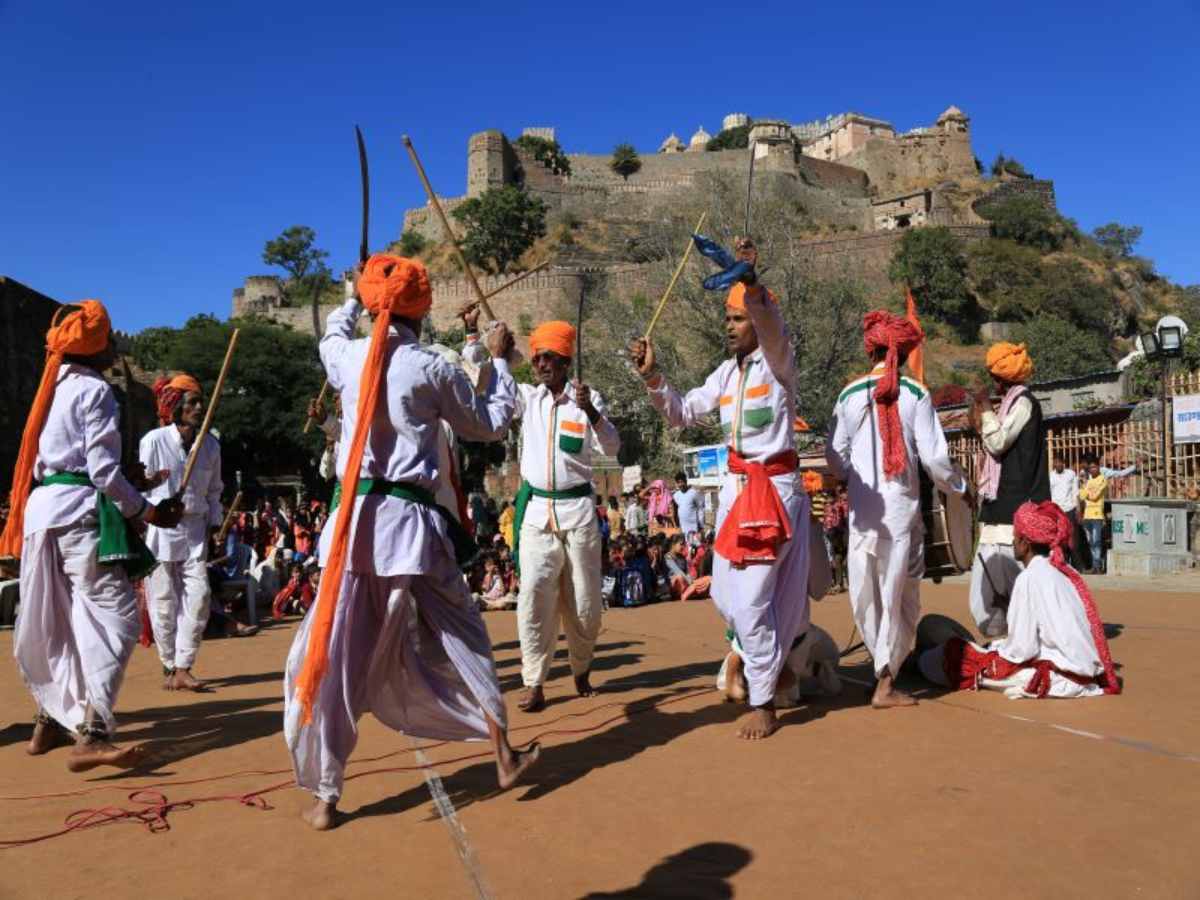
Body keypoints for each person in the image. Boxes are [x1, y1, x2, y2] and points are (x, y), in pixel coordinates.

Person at [283, 254, 539, 830]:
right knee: (463, 634)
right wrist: (497, 361)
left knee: (341, 658)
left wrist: (353, 294)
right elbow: (490, 423)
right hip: (410, 531)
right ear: (421, 310)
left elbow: (330, 332)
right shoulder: (429, 367)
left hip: (354, 530)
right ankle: (502, 752)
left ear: (376, 304)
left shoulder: (346, 358)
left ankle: (326, 798)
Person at [631, 237, 811, 740]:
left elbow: (773, 323)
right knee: (725, 597)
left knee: (752, 600)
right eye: (727, 320)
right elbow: (683, 412)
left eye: (735, 319)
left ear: (755, 322)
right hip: (736, 492)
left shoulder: (779, 362)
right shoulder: (725, 375)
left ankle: (764, 701)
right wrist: (652, 378)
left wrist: (750, 282)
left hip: (773, 490)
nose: (727, 327)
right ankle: (777, 665)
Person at [3, 300, 183, 771]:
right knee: (117, 618)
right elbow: (100, 472)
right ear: (98, 348)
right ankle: (94, 731)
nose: (114, 351)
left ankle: (48, 718)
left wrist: (131, 484)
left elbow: (73, 464)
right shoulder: (94, 391)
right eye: (109, 343)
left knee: (61, 618)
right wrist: (147, 510)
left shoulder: (49, 388)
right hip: (79, 514)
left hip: (43, 513)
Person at [826, 311, 970, 708]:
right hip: (902, 516)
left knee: (869, 593)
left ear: (870, 348)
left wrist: (851, 477)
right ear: (903, 352)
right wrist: (960, 488)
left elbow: (834, 457)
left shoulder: (848, 396)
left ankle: (883, 667)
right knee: (900, 596)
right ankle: (886, 682)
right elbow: (935, 461)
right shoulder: (916, 393)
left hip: (863, 513)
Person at [509, 319, 621, 713]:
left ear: (565, 361)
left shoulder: (589, 400)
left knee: (586, 604)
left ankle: (581, 668)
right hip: (538, 513)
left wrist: (590, 410)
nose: (540, 365)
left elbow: (612, 445)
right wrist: (479, 342)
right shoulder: (529, 399)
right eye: (537, 357)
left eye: (548, 358)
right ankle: (533, 682)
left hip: (579, 513)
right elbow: (489, 383)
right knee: (533, 596)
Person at [918, 501, 1120, 699]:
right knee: (935, 630)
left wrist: (992, 649)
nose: (1012, 542)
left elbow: (1022, 650)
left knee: (939, 659)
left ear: (1025, 544)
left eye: (1015, 537)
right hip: (1078, 671)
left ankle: (915, 664)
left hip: (1057, 676)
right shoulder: (1064, 570)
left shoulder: (1029, 577)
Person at [141, 372, 226, 691]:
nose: (200, 407)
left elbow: (215, 490)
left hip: (195, 529)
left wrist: (215, 525)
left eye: (201, 401)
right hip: (160, 527)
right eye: (192, 402)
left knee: (200, 596)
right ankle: (168, 666)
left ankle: (183, 665)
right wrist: (156, 507)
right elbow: (140, 486)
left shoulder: (211, 446)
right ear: (175, 407)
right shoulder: (153, 441)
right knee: (163, 601)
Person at [968, 342, 1050, 637]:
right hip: (998, 508)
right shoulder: (1011, 404)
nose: (994, 384)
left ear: (1000, 379)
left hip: (1014, 511)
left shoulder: (1024, 403)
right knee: (986, 590)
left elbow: (998, 442)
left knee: (1012, 586)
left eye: (995, 377)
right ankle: (1005, 641)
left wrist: (987, 410)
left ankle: (1022, 642)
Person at [1049, 453, 1084, 570]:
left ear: (1064, 463)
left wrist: (1078, 510)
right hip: (1056, 511)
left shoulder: (1071, 474)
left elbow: (1076, 492)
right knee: (1059, 538)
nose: (1058, 464)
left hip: (1070, 509)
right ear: (1054, 463)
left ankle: (1078, 566)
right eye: (1056, 462)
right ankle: (1061, 564)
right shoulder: (1050, 476)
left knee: (1074, 538)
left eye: (1060, 462)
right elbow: (1049, 495)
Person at [672, 472, 703, 540]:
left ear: (685, 481)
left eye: (682, 482)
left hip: (694, 526)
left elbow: (700, 508)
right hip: (683, 527)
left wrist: (701, 524)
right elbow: (675, 511)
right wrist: (677, 525)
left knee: (694, 546)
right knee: (685, 546)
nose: (680, 484)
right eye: (678, 482)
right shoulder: (676, 495)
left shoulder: (693, 493)